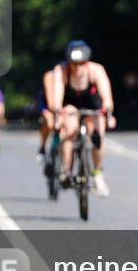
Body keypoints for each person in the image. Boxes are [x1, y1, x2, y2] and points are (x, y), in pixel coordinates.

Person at [49, 40, 116, 197]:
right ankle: (66, 171)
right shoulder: (61, 70)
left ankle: (98, 174)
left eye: (81, 64)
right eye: (74, 64)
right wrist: (58, 115)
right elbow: (57, 95)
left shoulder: (96, 70)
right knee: (70, 129)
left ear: (87, 62)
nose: (78, 68)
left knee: (98, 131)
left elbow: (106, 95)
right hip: (70, 103)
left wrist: (108, 113)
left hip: (91, 102)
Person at [37, 69, 56, 161]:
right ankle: (43, 147)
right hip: (47, 105)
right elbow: (49, 102)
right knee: (49, 123)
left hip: (60, 106)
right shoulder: (50, 76)